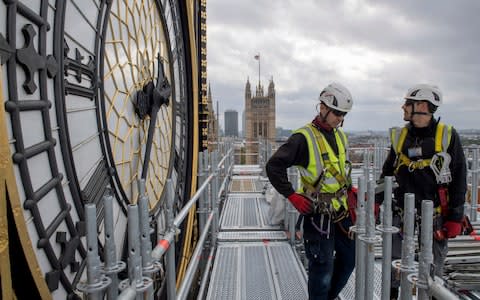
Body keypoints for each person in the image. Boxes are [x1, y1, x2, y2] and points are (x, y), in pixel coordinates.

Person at [266, 82, 355, 300]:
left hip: (341, 214)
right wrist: (292, 195)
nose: (340, 119)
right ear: (322, 107)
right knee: (321, 271)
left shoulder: (340, 135)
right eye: (337, 114)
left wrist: (349, 188)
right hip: (318, 216)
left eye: (343, 115)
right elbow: (274, 166)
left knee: (349, 261)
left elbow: (340, 167)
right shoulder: (303, 138)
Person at [379, 84, 467, 299]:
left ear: (422, 106)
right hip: (402, 212)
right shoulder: (401, 136)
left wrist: (456, 216)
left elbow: (459, 177)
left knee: (431, 269)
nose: (403, 107)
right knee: (395, 265)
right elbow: (388, 172)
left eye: (407, 103)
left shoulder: (446, 136)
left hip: (435, 214)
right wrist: (376, 199)